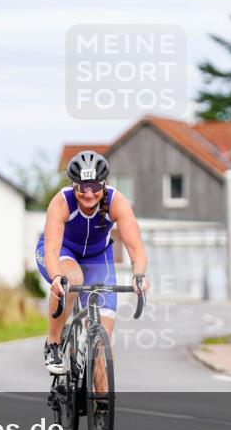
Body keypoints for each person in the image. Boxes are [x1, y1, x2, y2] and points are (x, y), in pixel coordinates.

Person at [36, 150, 149, 374]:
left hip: (98, 257)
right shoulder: (62, 201)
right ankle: (54, 343)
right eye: (82, 187)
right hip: (63, 252)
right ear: (73, 185)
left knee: (102, 338)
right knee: (72, 279)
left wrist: (139, 276)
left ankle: (102, 405)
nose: (89, 194)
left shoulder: (117, 202)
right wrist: (57, 277)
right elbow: (51, 250)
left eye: (95, 187)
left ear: (104, 184)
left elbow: (136, 248)